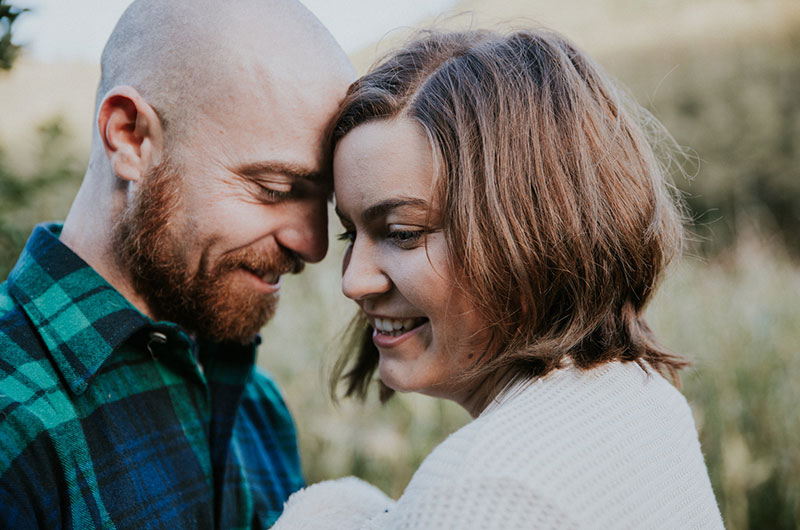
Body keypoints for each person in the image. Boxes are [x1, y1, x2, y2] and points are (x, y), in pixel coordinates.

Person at [273, 28, 725, 529]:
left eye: (401, 232)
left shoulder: (489, 489)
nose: (354, 282)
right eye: (349, 235)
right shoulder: (637, 398)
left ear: (537, 230)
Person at [0, 0, 353, 527]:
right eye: (274, 189)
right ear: (130, 137)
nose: (314, 246)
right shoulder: (12, 425)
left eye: (324, 203)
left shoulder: (259, 405)